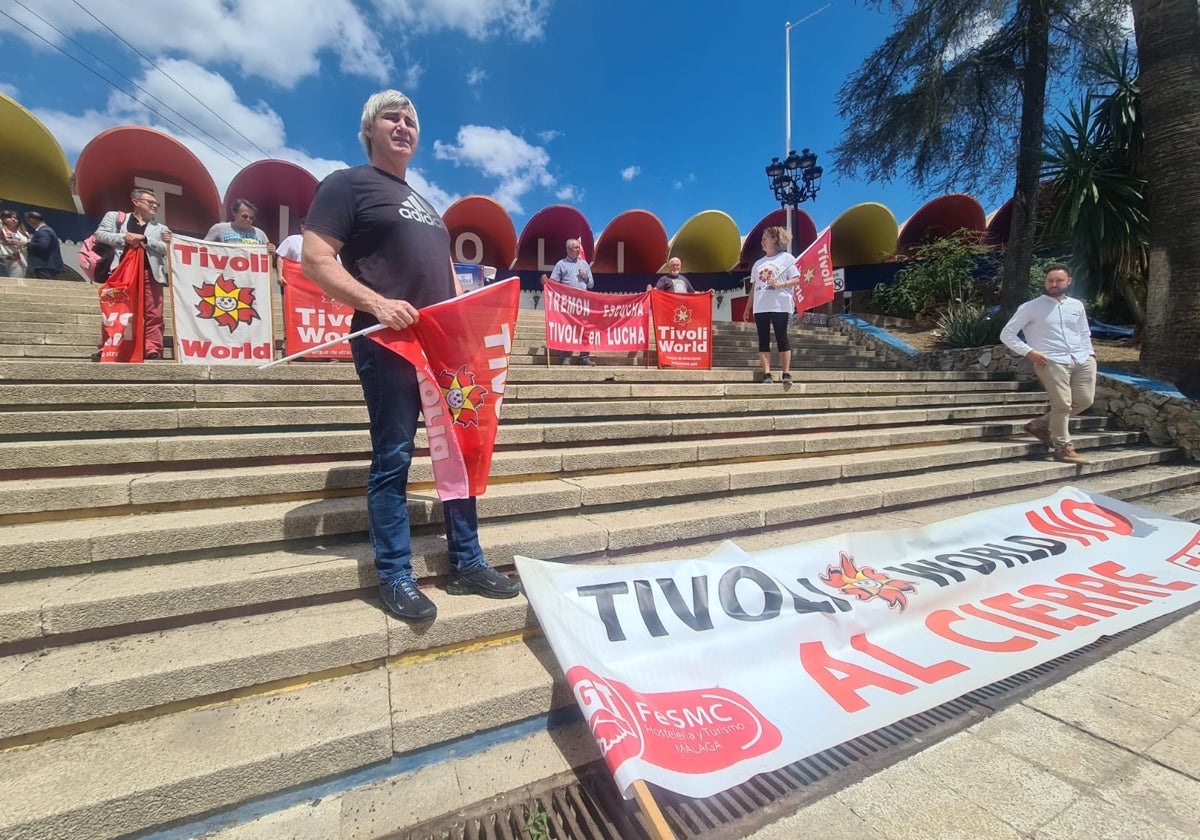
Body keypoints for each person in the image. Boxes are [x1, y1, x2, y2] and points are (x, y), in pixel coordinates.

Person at [301, 89, 520, 623]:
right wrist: (376, 303)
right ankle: (395, 575)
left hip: (441, 347)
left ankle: (468, 561)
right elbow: (314, 258)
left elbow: (446, 281)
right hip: (386, 341)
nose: (403, 126)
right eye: (391, 119)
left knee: (461, 454)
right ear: (368, 132)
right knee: (394, 457)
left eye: (410, 120)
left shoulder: (426, 205)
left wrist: (466, 330)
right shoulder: (346, 184)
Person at [1000, 264, 1096, 465]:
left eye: (1058, 280)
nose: (1053, 284)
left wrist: (1090, 355)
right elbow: (1007, 334)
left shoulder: (1076, 306)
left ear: (1068, 281)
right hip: (1050, 360)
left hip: (1081, 358)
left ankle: (1039, 425)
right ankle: (1063, 448)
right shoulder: (1030, 307)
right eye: (1050, 281)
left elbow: (1084, 332)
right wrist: (1029, 351)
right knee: (1062, 404)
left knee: (1085, 401)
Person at [94, 188, 173, 359]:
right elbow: (100, 235)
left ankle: (152, 347)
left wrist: (145, 240)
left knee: (154, 313)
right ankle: (110, 345)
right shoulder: (115, 217)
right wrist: (125, 238)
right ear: (136, 202)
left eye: (156, 204)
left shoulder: (161, 228)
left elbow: (167, 249)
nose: (154, 206)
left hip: (149, 273)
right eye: (150, 202)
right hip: (121, 270)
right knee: (115, 310)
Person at [749, 226, 800, 383]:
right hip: (761, 305)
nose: (762, 241)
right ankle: (767, 373)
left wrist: (780, 284)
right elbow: (753, 286)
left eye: (766, 238)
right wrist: (747, 306)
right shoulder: (758, 263)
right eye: (762, 238)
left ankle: (786, 373)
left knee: (782, 337)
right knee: (763, 339)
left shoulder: (787, 258)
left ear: (775, 240)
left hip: (781, 305)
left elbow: (797, 279)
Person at [541, 238, 595, 365]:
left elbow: (591, 284)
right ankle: (566, 355)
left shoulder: (585, 264)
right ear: (568, 249)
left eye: (578, 247)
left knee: (584, 329)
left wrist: (585, 277)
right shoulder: (561, 264)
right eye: (575, 247)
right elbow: (553, 283)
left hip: (583, 303)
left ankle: (584, 357)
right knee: (568, 329)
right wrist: (545, 281)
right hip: (568, 303)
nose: (578, 250)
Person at [205, 199, 275, 254]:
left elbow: (270, 257)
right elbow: (203, 249)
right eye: (244, 216)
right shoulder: (219, 229)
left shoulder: (260, 233)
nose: (248, 220)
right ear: (234, 213)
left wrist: (272, 251)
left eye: (251, 218)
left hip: (252, 272)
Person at [23, 212, 64, 279]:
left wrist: (27, 244)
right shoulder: (46, 230)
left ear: (31, 220)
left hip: (44, 265)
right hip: (46, 265)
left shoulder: (44, 231)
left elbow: (43, 246)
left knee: (46, 285)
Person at [0, 210, 30, 278]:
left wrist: (24, 244)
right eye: (9, 217)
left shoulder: (23, 233)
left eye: (15, 218)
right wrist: (5, 241)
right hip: (3, 259)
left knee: (16, 281)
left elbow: (28, 245)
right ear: (3, 219)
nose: (13, 219)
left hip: (18, 261)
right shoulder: (1, 230)